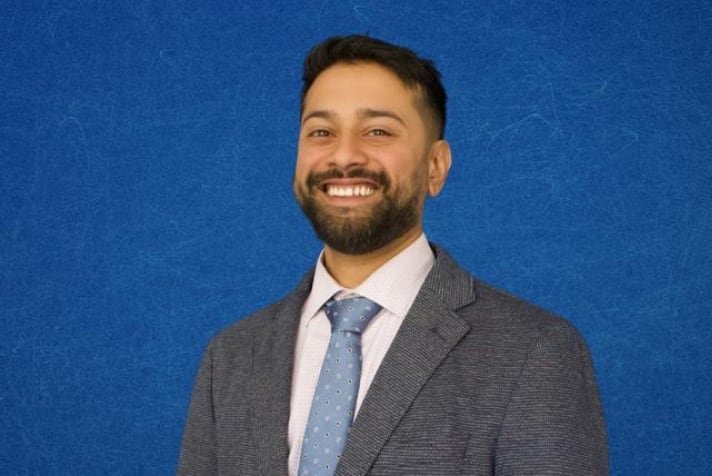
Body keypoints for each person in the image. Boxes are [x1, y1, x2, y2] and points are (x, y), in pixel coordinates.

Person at [178, 35, 608, 476]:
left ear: (435, 167)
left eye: (378, 131)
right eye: (321, 132)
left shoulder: (533, 351)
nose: (344, 156)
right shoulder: (230, 356)